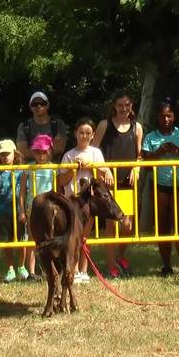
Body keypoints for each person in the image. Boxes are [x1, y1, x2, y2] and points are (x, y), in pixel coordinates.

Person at [141, 98, 179, 276]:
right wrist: (159, 152)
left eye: (169, 116)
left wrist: (178, 152)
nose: (166, 119)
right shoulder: (150, 138)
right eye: (163, 116)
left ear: (174, 117)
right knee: (163, 227)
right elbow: (146, 164)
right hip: (159, 186)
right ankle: (166, 266)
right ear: (158, 117)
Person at [93, 90, 143, 278]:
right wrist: (104, 170)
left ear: (132, 106)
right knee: (111, 226)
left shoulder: (137, 127)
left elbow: (140, 155)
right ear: (114, 105)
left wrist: (137, 168)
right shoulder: (105, 125)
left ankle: (121, 257)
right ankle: (111, 264)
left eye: (127, 105)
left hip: (127, 182)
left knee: (127, 226)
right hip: (108, 183)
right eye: (120, 105)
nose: (124, 108)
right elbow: (94, 151)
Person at [58, 117, 113, 284]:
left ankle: (83, 270)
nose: (84, 136)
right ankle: (72, 270)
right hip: (72, 202)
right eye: (81, 132)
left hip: (89, 204)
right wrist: (74, 168)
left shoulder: (96, 153)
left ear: (93, 134)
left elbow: (100, 178)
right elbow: (62, 181)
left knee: (84, 237)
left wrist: (91, 167)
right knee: (72, 237)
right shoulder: (69, 155)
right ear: (75, 133)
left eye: (88, 133)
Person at [18, 134, 56, 280]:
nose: (41, 155)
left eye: (44, 151)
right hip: (32, 207)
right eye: (37, 151)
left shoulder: (54, 168)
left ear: (50, 151)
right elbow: (22, 191)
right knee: (33, 238)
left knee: (49, 238)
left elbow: (58, 189)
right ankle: (32, 272)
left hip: (49, 207)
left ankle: (49, 269)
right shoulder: (29, 169)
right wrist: (22, 210)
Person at [0, 139, 27, 282]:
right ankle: (10, 269)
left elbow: (25, 192)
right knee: (6, 242)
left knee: (22, 240)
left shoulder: (22, 171)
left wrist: (23, 211)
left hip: (19, 211)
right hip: (2, 212)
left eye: (8, 154)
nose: (5, 157)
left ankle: (22, 266)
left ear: (15, 154)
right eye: (2, 154)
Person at [16, 91, 68, 161]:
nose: (39, 106)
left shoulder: (58, 124)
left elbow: (60, 148)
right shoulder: (24, 126)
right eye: (35, 104)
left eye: (42, 103)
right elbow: (22, 151)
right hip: (31, 170)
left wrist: (36, 152)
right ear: (30, 107)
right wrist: (44, 154)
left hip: (54, 170)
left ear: (48, 105)